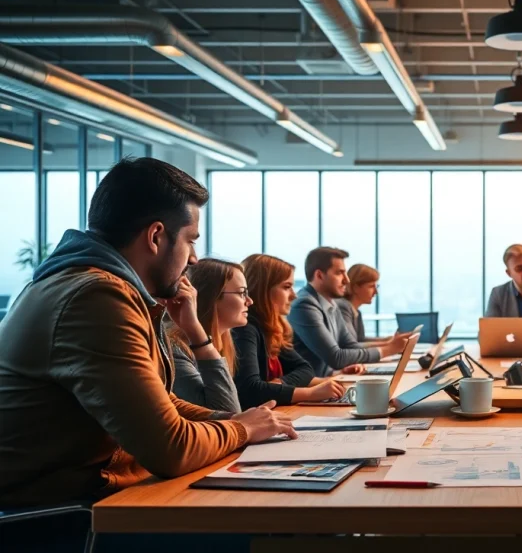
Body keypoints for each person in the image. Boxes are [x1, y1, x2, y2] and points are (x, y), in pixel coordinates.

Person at [0, 158, 294, 508]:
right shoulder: (96, 297)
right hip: (61, 518)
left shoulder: (89, 285)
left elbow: (159, 403)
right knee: (271, 523)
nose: (195, 259)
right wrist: (243, 430)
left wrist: (234, 419)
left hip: (92, 499)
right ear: (155, 236)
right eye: (190, 241)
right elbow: (171, 448)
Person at [233, 254, 351, 409]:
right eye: (287, 287)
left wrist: (281, 383)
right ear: (263, 290)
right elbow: (251, 390)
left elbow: (305, 369)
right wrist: (309, 394)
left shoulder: (271, 329)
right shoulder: (245, 330)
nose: (294, 295)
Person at [289, 247, 407, 377]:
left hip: (329, 380)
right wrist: (388, 349)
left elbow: (349, 345)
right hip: (311, 389)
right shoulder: (305, 305)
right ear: (319, 275)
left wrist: (389, 345)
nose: (347, 280)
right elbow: (336, 357)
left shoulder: (331, 303)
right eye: (339, 273)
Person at [167, 258, 247, 413]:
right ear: (212, 297)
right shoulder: (175, 349)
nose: (249, 301)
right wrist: (201, 340)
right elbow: (228, 413)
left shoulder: (223, 341)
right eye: (242, 293)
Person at [337, 263, 392, 345]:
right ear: (355, 288)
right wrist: (389, 345)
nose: (376, 292)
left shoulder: (356, 312)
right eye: (371, 286)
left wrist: (386, 340)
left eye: (376, 286)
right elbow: (351, 346)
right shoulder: (343, 308)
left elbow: (360, 340)